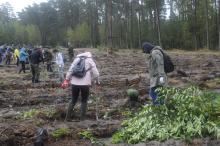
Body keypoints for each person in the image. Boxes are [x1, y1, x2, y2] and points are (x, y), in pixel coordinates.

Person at [62, 51, 100, 121]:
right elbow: (96, 74)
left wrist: (67, 79)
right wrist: (97, 82)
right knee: (84, 100)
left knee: (73, 99)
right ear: (89, 55)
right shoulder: (90, 60)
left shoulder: (76, 59)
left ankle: (67, 118)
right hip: (85, 84)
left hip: (74, 83)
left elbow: (70, 70)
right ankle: (82, 119)